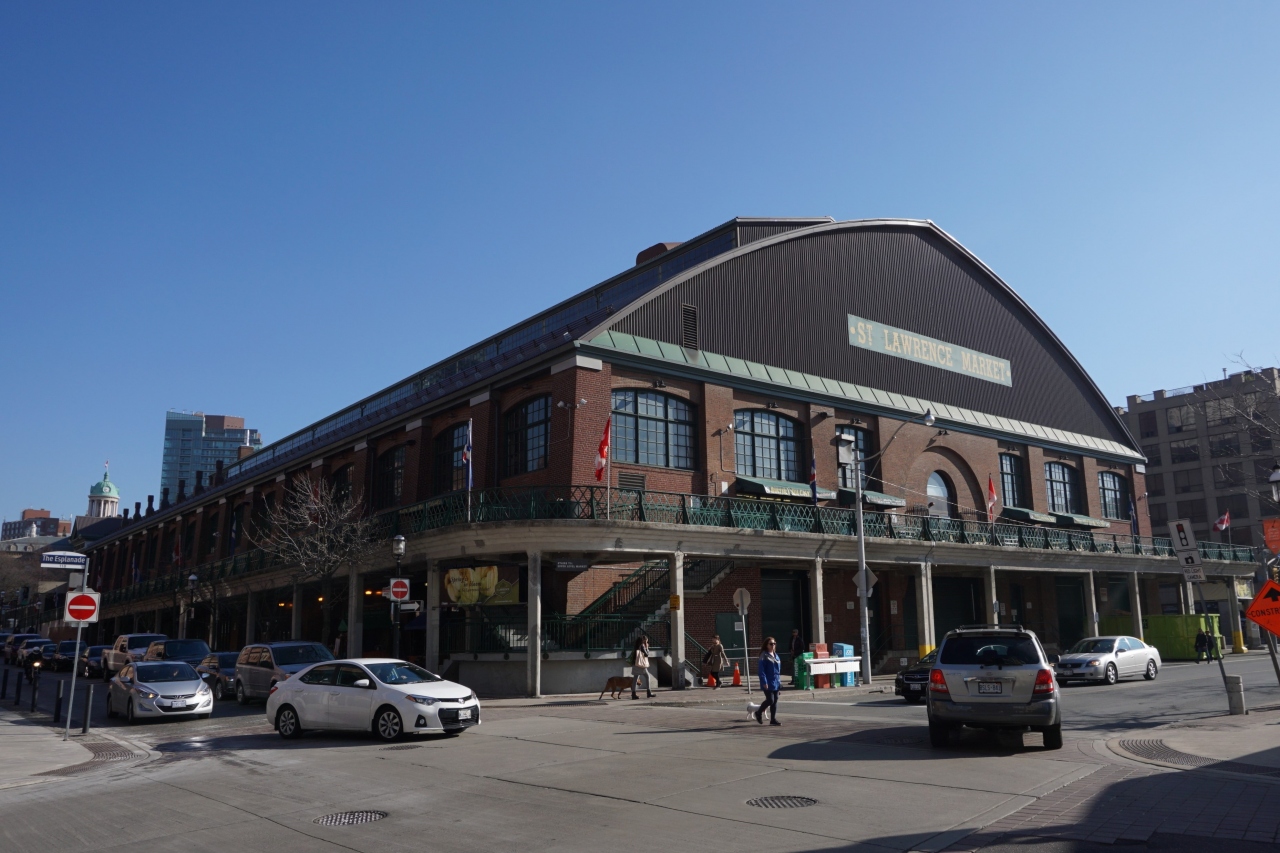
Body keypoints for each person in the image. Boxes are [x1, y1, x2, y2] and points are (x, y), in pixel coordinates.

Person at [755, 637, 782, 726]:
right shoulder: (764, 655)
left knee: (775, 700)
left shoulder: (776, 655)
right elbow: (761, 671)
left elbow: (778, 671)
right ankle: (758, 712)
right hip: (768, 681)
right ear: (766, 645)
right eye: (771, 644)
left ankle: (773, 719)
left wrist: (779, 683)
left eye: (774, 643)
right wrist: (764, 681)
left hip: (776, 681)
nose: (773, 645)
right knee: (770, 700)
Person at [630, 635, 654, 699]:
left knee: (635, 679)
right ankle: (649, 692)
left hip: (636, 664)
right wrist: (647, 648)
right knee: (647, 676)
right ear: (644, 640)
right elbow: (646, 654)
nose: (647, 642)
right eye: (646, 641)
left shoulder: (637, 646)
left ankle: (633, 694)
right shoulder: (642, 646)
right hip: (641, 665)